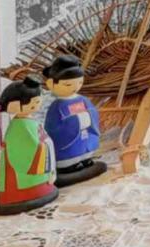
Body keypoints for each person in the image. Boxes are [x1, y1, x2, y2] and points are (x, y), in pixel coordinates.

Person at [0, 78, 58, 215]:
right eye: (34, 104)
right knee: (18, 180)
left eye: (38, 102)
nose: (38, 105)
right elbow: (25, 150)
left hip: (36, 161)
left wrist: (45, 142)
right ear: (15, 106)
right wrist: (45, 144)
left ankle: (40, 188)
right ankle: (26, 194)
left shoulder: (28, 121)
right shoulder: (20, 126)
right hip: (21, 171)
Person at [40, 54, 106, 186]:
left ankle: (86, 160)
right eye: (68, 84)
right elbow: (54, 128)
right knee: (69, 155)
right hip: (67, 144)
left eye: (79, 82)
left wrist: (88, 117)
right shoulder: (57, 106)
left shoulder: (83, 99)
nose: (75, 87)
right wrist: (77, 121)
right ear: (51, 84)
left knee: (86, 148)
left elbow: (93, 112)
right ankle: (69, 166)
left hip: (85, 135)